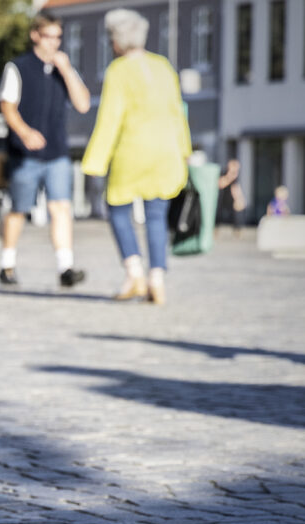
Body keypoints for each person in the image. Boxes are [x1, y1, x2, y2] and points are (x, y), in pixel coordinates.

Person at [81, 8, 191, 305]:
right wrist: (184, 151)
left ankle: (134, 273)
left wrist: (94, 162)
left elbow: (110, 119)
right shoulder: (163, 66)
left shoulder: (118, 71)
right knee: (156, 215)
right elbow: (177, 112)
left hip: (132, 151)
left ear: (116, 40)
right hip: (166, 152)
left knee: (117, 210)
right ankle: (157, 278)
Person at [0, 10, 90, 287]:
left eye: (58, 37)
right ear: (35, 35)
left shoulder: (64, 70)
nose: (54, 43)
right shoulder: (18, 67)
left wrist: (67, 70)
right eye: (49, 37)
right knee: (19, 209)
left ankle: (66, 267)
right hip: (25, 154)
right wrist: (24, 132)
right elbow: (6, 106)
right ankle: (7, 263)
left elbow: (83, 104)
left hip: (57, 152)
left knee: (60, 206)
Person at [217, 158, 246, 236]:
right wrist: (230, 176)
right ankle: (215, 229)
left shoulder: (235, 177)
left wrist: (240, 199)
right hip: (221, 198)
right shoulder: (223, 173)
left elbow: (236, 188)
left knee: (238, 212)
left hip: (231, 199)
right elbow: (220, 184)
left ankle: (237, 230)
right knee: (218, 214)